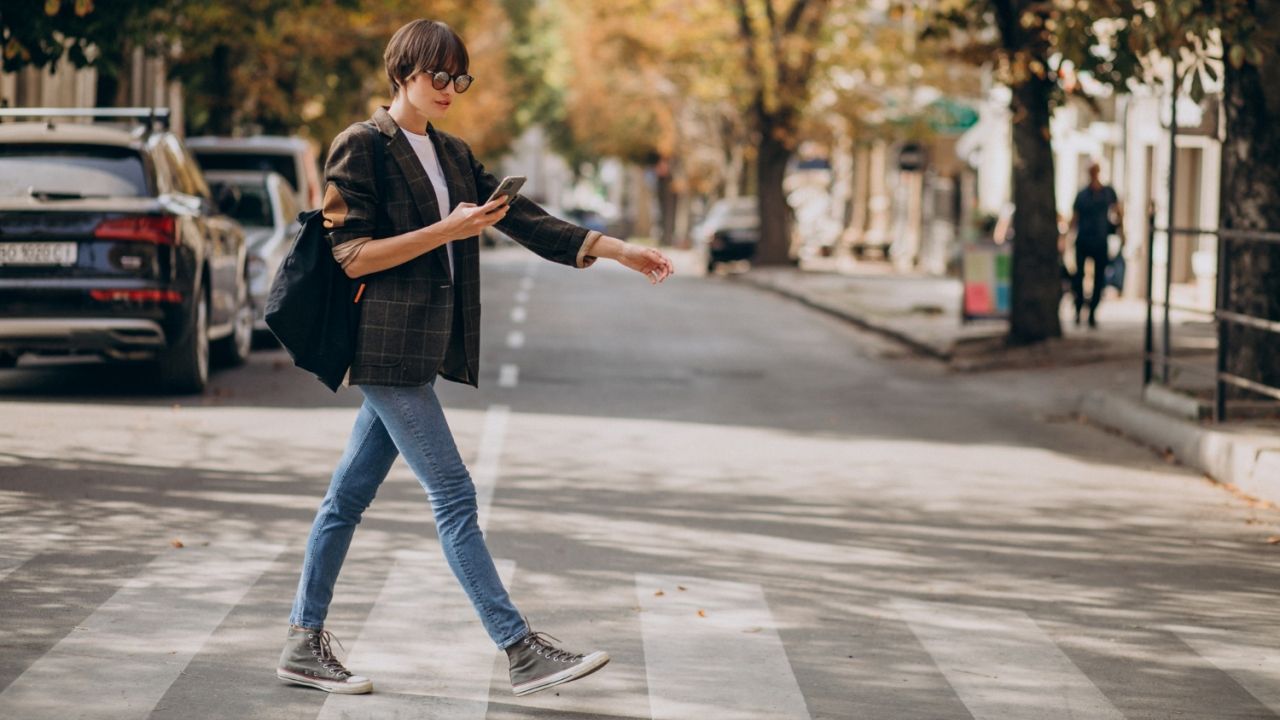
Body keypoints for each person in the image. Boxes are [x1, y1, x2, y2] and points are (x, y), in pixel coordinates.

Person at [276, 19, 675, 698]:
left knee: (346, 499)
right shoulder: (360, 147)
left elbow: (528, 221)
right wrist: (446, 230)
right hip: (383, 352)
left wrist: (617, 250)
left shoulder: (455, 155)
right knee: (455, 495)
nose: (450, 88)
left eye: (460, 78)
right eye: (439, 75)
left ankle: (301, 642)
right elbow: (350, 255)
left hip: (419, 351)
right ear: (403, 71)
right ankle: (519, 649)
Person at [1067, 162, 1124, 328]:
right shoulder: (1082, 195)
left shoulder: (1107, 193)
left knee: (1099, 278)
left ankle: (1092, 311)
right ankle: (1078, 309)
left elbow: (1118, 212)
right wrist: (1067, 238)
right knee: (1079, 276)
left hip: (1100, 240)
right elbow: (1075, 217)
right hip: (1084, 239)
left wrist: (1121, 231)